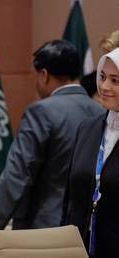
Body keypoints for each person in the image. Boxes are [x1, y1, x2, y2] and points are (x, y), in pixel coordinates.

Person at [0, 40, 104, 230]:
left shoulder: (41, 112)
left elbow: (17, 175)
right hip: (85, 227)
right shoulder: (100, 112)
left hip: (42, 228)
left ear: (44, 75)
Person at [63, 48, 119, 257]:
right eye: (102, 77)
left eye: (115, 80)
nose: (104, 86)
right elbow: (69, 198)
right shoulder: (88, 128)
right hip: (79, 248)